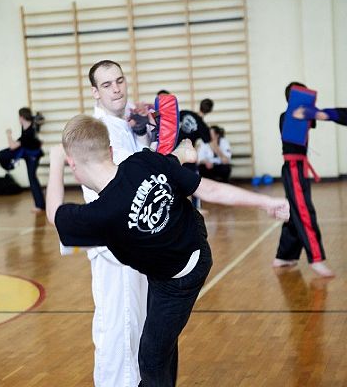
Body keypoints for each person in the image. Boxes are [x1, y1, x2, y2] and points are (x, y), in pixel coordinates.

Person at [46, 115, 290, 387]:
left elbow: (54, 214)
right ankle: (183, 153)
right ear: (111, 151)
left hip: (179, 279)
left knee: (150, 358)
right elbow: (208, 189)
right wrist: (266, 202)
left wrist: (55, 162)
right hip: (187, 240)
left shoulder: (99, 216)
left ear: (73, 165)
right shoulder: (142, 161)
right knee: (161, 341)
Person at [82, 59, 153, 387]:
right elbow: (131, 178)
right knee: (118, 327)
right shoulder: (99, 130)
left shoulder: (125, 122)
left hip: (134, 240)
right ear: (95, 92)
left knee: (136, 323)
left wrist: (147, 130)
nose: (116, 89)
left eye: (119, 81)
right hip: (113, 244)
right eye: (107, 85)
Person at [274, 82, 334, 277]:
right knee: (304, 212)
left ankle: (284, 256)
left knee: (295, 212)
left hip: (298, 167)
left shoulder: (304, 116)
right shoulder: (287, 116)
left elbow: (314, 118)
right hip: (293, 168)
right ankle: (316, 259)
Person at [0, 107, 45, 212]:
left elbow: (12, 146)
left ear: (21, 117)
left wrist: (9, 135)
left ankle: (40, 205)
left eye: (18, 117)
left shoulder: (28, 132)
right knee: (3, 154)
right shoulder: (27, 125)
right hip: (28, 154)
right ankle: (40, 204)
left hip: (33, 156)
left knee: (32, 178)